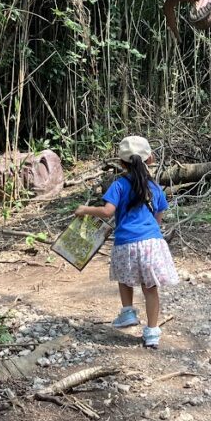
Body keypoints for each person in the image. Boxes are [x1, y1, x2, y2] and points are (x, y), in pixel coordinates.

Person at [74, 135, 178, 349]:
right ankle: (151, 333)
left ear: (121, 163)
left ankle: (128, 311)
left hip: (126, 242)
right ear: (149, 160)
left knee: (125, 278)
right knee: (150, 288)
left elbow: (107, 211)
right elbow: (158, 218)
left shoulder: (119, 185)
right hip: (151, 243)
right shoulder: (155, 188)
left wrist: (85, 210)